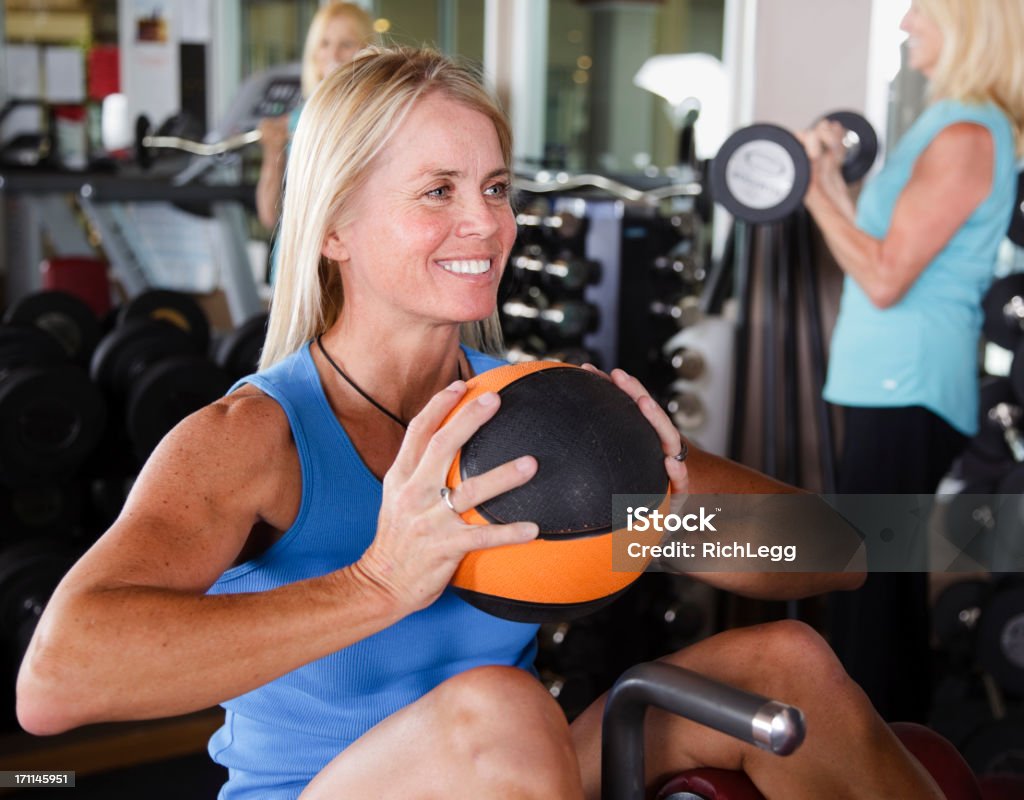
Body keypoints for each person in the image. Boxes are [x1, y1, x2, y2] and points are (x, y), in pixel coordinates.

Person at [18, 48, 945, 800]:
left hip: (512, 768)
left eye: (496, 188)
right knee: (500, 707)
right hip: (326, 791)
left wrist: (666, 506)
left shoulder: (538, 407)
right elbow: (55, 684)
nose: (487, 225)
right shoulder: (255, 437)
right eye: (439, 191)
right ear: (335, 225)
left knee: (784, 663)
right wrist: (379, 583)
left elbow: (837, 550)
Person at [797, 0, 1024, 723]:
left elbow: (887, 275)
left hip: (909, 387)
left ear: (967, 20)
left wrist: (806, 189)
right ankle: (887, 756)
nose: (905, 24)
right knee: (871, 593)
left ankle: (879, 765)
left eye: (920, 7)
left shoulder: (964, 133)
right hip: (886, 384)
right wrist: (827, 176)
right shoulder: (947, 122)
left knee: (873, 599)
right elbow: (880, 246)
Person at [255, 1, 374, 231]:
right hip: (301, 252)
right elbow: (269, 215)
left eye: (346, 44)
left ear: (367, 50)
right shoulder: (301, 118)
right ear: (314, 53)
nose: (333, 54)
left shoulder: (376, 117)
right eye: (324, 43)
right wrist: (272, 153)